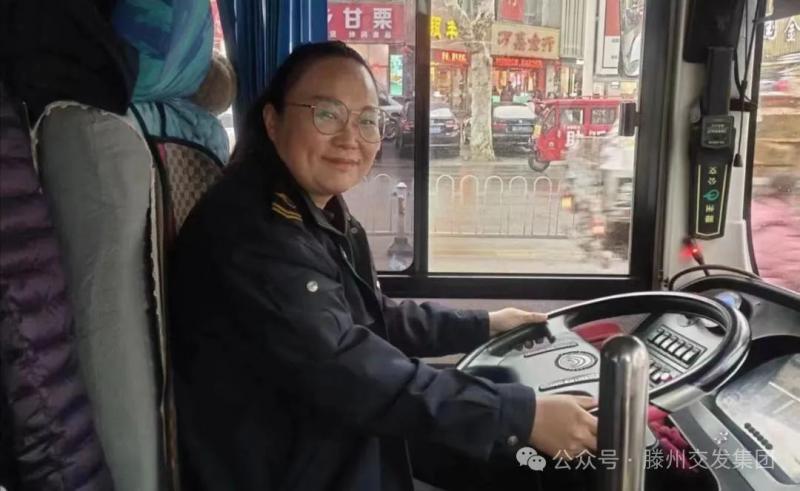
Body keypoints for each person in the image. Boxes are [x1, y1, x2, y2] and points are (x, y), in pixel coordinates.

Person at [168, 41, 598, 491]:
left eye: (367, 120)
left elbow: (368, 316)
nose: (350, 138)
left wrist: (484, 325)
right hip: (292, 464)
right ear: (272, 122)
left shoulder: (314, 210)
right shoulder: (255, 235)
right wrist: (520, 416)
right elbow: (347, 368)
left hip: (327, 438)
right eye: (327, 114)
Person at [750, 173, 800, 292]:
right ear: (790, 195)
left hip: (754, 289)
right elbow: (794, 274)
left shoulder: (754, 214)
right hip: (775, 295)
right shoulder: (783, 228)